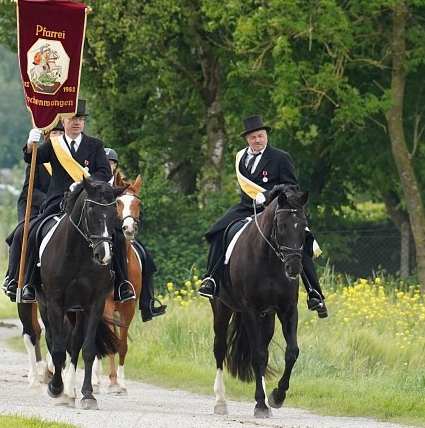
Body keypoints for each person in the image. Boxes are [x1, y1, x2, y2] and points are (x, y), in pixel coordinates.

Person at [196, 115, 327, 318]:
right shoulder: (241, 157)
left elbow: (292, 187)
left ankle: (314, 292)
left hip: (275, 209)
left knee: (301, 241)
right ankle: (211, 279)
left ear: (266, 136)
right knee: (217, 231)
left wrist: (267, 195)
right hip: (246, 207)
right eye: (253, 137)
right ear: (247, 139)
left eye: (260, 136)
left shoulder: (281, 157)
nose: (257, 140)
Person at [18, 99, 135, 305]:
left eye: (80, 119)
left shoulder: (95, 145)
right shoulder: (54, 145)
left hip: (91, 202)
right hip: (58, 203)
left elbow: (104, 171)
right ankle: (28, 282)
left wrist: (84, 185)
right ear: (63, 121)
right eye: (73, 119)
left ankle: (122, 284)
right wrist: (30, 144)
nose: (77, 123)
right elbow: (33, 159)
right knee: (34, 232)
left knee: (116, 235)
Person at [103, 148, 167, 322]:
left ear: (115, 165)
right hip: (100, 231)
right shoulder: (95, 183)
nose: (108, 166)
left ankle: (147, 303)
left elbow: (132, 208)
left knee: (145, 257)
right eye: (105, 162)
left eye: (111, 163)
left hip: (121, 229)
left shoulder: (122, 185)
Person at [1, 121, 62, 300]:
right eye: (54, 133)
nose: (57, 136)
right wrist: (51, 200)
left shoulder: (71, 158)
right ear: (47, 137)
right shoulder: (39, 155)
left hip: (64, 205)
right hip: (36, 204)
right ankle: (12, 278)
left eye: (60, 133)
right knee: (23, 232)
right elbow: (31, 189)